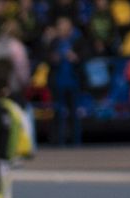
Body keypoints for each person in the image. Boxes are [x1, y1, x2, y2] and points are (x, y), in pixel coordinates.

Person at [47, 16, 83, 145]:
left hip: (73, 81)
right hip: (58, 82)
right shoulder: (54, 42)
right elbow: (46, 58)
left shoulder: (77, 41)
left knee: (74, 113)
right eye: (61, 26)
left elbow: (84, 57)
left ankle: (76, 141)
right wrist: (53, 59)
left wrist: (75, 58)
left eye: (66, 26)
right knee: (58, 113)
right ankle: (59, 141)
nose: (63, 29)